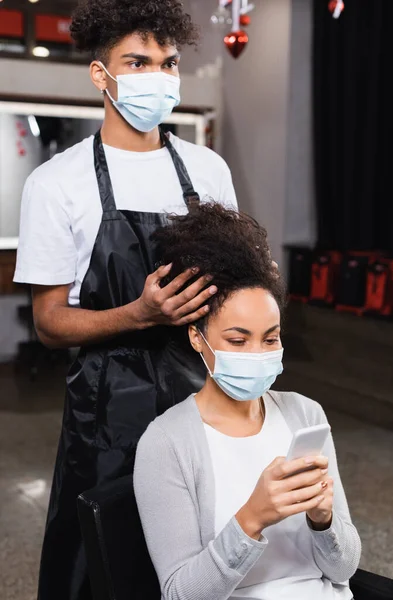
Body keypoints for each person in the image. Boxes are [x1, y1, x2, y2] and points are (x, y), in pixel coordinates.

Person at [13, 1, 237, 599]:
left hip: (204, 395)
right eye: (137, 62)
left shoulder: (207, 171)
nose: (157, 77)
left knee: (205, 552)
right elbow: (50, 324)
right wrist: (138, 314)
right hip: (109, 409)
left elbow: (233, 288)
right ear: (100, 73)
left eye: (167, 63)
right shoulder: (57, 183)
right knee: (104, 562)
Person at [134, 203, 362, 600]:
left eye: (270, 338)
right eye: (238, 341)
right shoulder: (167, 443)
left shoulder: (304, 414)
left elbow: (343, 569)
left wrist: (324, 521)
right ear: (196, 338)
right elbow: (179, 594)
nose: (257, 354)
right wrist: (252, 518)